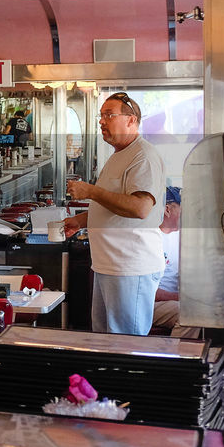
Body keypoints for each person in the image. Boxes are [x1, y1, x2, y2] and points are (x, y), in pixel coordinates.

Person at [62, 92, 166, 335]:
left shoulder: (143, 156)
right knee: (105, 341)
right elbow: (114, 205)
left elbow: (140, 208)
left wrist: (90, 191)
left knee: (125, 345)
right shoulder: (119, 154)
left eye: (109, 115)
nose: (101, 121)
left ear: (132, 120)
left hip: (130, 267)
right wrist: (81, 220)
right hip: (108, 265)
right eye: (101, 116)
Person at [151, 186, 200, 338]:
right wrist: (179, 297)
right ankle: (175, 359)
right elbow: (145, 291)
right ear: (167, 209)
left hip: (174, 300)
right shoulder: (150, 238)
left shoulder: (182, 236)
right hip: (149, 304)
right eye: (183, 208)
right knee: (192, 313)